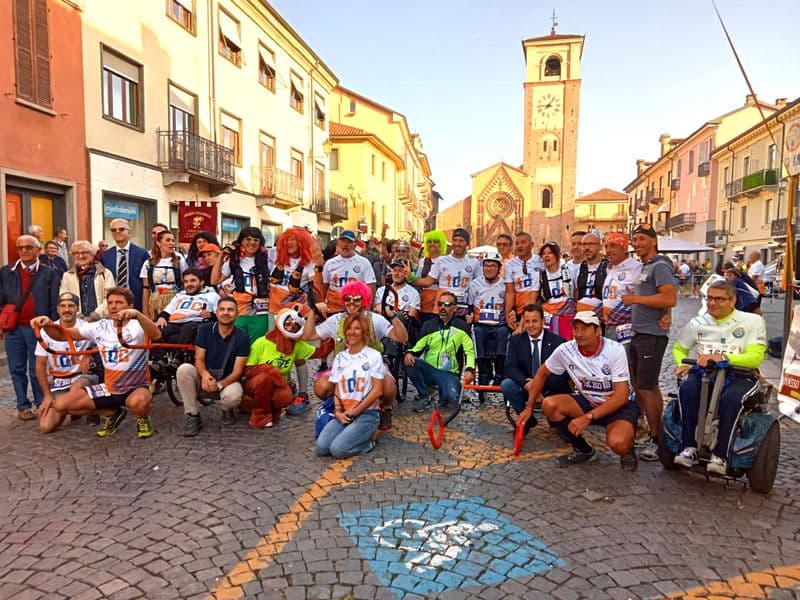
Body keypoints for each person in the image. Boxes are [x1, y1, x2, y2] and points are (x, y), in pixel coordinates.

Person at [32, 287, 160, 438]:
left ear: (130, 306)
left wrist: (138, 315)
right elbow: (63, 335)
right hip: (109, 387)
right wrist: (47, 325)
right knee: (61, 404)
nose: (113, 306)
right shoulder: (100, 326)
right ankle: (113, 414)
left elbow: (156, 334)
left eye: (119, 302)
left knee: (139, 401)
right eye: (110, 302)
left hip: (135, 386)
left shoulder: (138, 325)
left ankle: (142, 418)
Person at [518, 311, 639, 470]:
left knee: (619, 443)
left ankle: (628, 450)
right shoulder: (566, 350)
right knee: (549, 405)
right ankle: (583, 449)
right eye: (575, 329)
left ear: (598, 331)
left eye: (585, 328)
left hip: (617, 406)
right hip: (588, 401)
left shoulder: (615, 350)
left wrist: (588, 417)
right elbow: (541, 374)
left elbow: (621, 396)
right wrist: (528, 407)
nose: (579, 334)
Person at [671, 280, 767, 473]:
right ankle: (688, 447)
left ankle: (721, 455)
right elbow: (679, 348)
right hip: (705, 373)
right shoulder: (697, 323)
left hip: (741, 375)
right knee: (687, 390)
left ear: (733, 301)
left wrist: (723, 357)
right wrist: (682, 363)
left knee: (731, 399)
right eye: (709, 298)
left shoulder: (752, 322)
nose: (712, 303)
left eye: (719, 299)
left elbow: (755, 357)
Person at [304, 281, 407, 429]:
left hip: (372, 368)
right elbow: (309, 336)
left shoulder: (375, 319)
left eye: (357, 299)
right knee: (321, 386)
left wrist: (392, 315)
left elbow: (402, 338)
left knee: (389, 385)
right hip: (345, 367)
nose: (351, 303)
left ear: (364, 300)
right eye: (348, 299)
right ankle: (341, 403)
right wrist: (312, 313)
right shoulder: (336, 320)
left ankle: (386, 408)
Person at [621, 223, 676, 462]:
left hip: (651, 336)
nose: (637, 243)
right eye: (635, 239)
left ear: (653, 241)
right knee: (642, 385)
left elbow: (669, 297)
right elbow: (665, 300)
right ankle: (655, 434)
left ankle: (657, 439)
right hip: (639, 333)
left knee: (647, 387)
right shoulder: (647, 266)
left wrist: (635, 299)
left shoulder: (661, 265)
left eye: (642, 239)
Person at [0, 235, 59, 421]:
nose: (24, 251)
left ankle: (42, 402)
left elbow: (53, 302)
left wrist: (51, 326)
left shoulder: (49, 272)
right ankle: (22, 406)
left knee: (38, 368)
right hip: (14, 329)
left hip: (38, 330)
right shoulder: (6, 271)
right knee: (16, 369)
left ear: (38, 249)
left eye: (28, 247)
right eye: (20, 248)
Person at [245, 307, 331, 429]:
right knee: (264, 379)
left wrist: (334, 333)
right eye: (287, 323)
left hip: (278, 385)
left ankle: (272, 410)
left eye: (295, 326)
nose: (290, 327)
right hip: (255, 385)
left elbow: (321, 352)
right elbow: (247, 370)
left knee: (285, 397)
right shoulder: (261, 343)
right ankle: (260, 416)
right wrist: (270, 371)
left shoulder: (297, 345)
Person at [176, 296, 250, 436]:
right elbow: (199, 359)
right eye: (222, 309)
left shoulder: (242, 337)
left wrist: (220, 385)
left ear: (237, 314)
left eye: (230, 310)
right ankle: (192, 414)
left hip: (228, 380)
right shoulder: (204, 330)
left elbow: (237, 371)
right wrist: (204, 375)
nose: (226, 313)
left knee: (233, 397)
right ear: (216, 312)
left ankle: (226, 409)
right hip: (206, 376)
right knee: (184, 369)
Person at [316, 312, 385, 458]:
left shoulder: (374, 356)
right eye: (349, 328)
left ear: (364, 333)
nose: (352, 332)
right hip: (345, 412)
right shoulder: (340, 357)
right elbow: (337, 389)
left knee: (338, 450)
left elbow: (377, 390)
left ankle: (371, 440)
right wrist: (338, 412)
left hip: (367, 413)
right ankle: (352, 433)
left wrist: (356, 411)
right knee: (322, 448)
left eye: (357, 329)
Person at [35, 293, 100, 432]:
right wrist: (47, 396)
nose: (66, 309)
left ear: (77, 308)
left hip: (82, 377)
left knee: (76, 389)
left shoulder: (87, 326)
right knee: (46, 427)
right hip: (60, 381)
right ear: (57, 309)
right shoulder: (47, 331)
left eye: (71, 306)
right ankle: (71, 408)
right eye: (63, 306)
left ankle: (93, 410)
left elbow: (105, 344)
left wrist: (88, 353)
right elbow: (40, 365)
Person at [404, 291, 476, 412]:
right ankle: (424, 395)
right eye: (440, 304)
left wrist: (469, 370)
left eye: (447, 304)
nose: (443, 307)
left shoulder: (462, 327)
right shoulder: (429, 325)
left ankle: (446, 393)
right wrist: (409, 353)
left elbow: (469, 352)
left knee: (451, 400)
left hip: (448, 372)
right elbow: (418, 348)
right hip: (430, 369)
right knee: (410, 361)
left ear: (455, 307)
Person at [501, 304, 570, 431]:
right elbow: (510, 367)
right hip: (526, 387)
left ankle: (557, 421)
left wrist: (539, 386)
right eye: (527, 321)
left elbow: (564, 373)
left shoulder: (558, 342)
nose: (531, 325)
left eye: (535, 321)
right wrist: (528, 385)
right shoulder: (515, 341)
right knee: (507, 385)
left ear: (542, 321)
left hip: (550, 389)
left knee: (563, 433)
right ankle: (528, 421)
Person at [211, 227, 270, 343]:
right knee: (237, 343)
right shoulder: (234, 260)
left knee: (257, 344)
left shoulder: (268, 260)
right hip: (239, 309)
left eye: (256, 240)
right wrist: (220, 257)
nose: (252, 243)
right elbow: (214, 281)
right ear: (241, 241)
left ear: (260, 243)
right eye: (248, 239)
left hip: (260, 310)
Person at [413, 228, 481, 320]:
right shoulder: (441, 260)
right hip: (442, 308)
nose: (457, 243)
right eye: (455, 240)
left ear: (467, 244)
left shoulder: (474, 262)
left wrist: (472, 309)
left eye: (461, 241)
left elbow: (479, 286)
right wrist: (409, 277)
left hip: (462, 309)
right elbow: (427, 281)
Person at [467, 252, 509, 394]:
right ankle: (484, 370)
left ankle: (499, 372)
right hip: (481, 324)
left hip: (499, 325)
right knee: (476, 332)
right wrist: (469, 316)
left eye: (493, 266)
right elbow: (470, 305)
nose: (489, 269)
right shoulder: (474, 284)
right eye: (486, 265)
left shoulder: (504, 285)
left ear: (498, 268)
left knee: (504, 333)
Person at [154, 268, 219, 349]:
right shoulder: (180, 295)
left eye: (193, 281)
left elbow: (220, 314)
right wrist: (161, 318)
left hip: (196, 322)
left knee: (188, 328)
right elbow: (167, 311)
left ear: (202, 282)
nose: (189, 284)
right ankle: (160, 359)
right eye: (186, 281)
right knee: (156, 329)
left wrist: (211, 315)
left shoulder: (212, 295)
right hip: (175, 323)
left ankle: (177, 357)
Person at [321, 230, 377, 315]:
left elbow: (371, 288)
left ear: (355, 245)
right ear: (339, 243)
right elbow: (325, 287)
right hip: (334, 309)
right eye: (343, 241)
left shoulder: (364, 262)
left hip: (355, 308)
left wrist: (367, 310)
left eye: (349, 242)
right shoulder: (330, 263)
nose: (345, 245)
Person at [601, 233, 642, 346]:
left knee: (626, 362)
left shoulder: (637, 268)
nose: (608, 250)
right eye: (606, 247)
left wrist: (666, 314)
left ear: (624, 248)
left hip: (626, 327)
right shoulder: (611, 268)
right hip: (609, 326)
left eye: (613, 246)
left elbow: (653, 291)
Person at [59, 240, 116, 322]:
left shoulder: (105, 273)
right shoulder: (67, 276)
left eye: (84, 252)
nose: (80, 256)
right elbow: (65, 299)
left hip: (101, 320)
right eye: (76, 253)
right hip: (77, 321)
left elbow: (110, 298)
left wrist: (96, 315)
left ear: (92, 254)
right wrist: (79, 317)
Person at [100, 218, 149, 311]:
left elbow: (146, 283)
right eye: (114, 230)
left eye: (121, 229)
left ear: (129, 232)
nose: (117, 232)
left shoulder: (142, 254)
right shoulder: (105, 256)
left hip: (136, 303)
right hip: (113, 304)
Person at [141, 230, 187, 320]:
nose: (172, 243)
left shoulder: (179, 260)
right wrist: (145, 311)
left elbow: (186, 282)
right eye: (168, 240)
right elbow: (146, 288)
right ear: (158, 243)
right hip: (155, 301)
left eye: (173, 240)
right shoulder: (148, 263)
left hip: (174, 300)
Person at [503, 231, 543, 331]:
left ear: (532, 245)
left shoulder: (541, 261)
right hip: (519, 306)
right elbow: (509, 292)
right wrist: (507, 314)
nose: (520, 246)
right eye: (517, 243)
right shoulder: (509, 265)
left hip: (538, 305)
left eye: (523, 242)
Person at [538, 241, 576, 340]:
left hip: (567, 315)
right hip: (548, 316)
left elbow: (576, 293)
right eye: (544, 253)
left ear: (556, 255)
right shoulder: (541, 275)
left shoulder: (568, 271)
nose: (546, 256)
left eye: (549, 253)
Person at [413, 229, 447, 324]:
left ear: (441, 244)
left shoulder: (447, 261)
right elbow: (418, 278)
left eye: (436, 241)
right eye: (429, 242)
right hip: (426, 299)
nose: (432, 244)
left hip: (441, 297)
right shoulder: (423, 261)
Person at [574, 233, 606, 320]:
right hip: (581, 317)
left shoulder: (608, 267)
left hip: (600, 317)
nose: (587, 248)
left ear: (600, 247)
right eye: (584, 244)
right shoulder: (579, 268)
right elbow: (576, 294)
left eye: (591, 244)